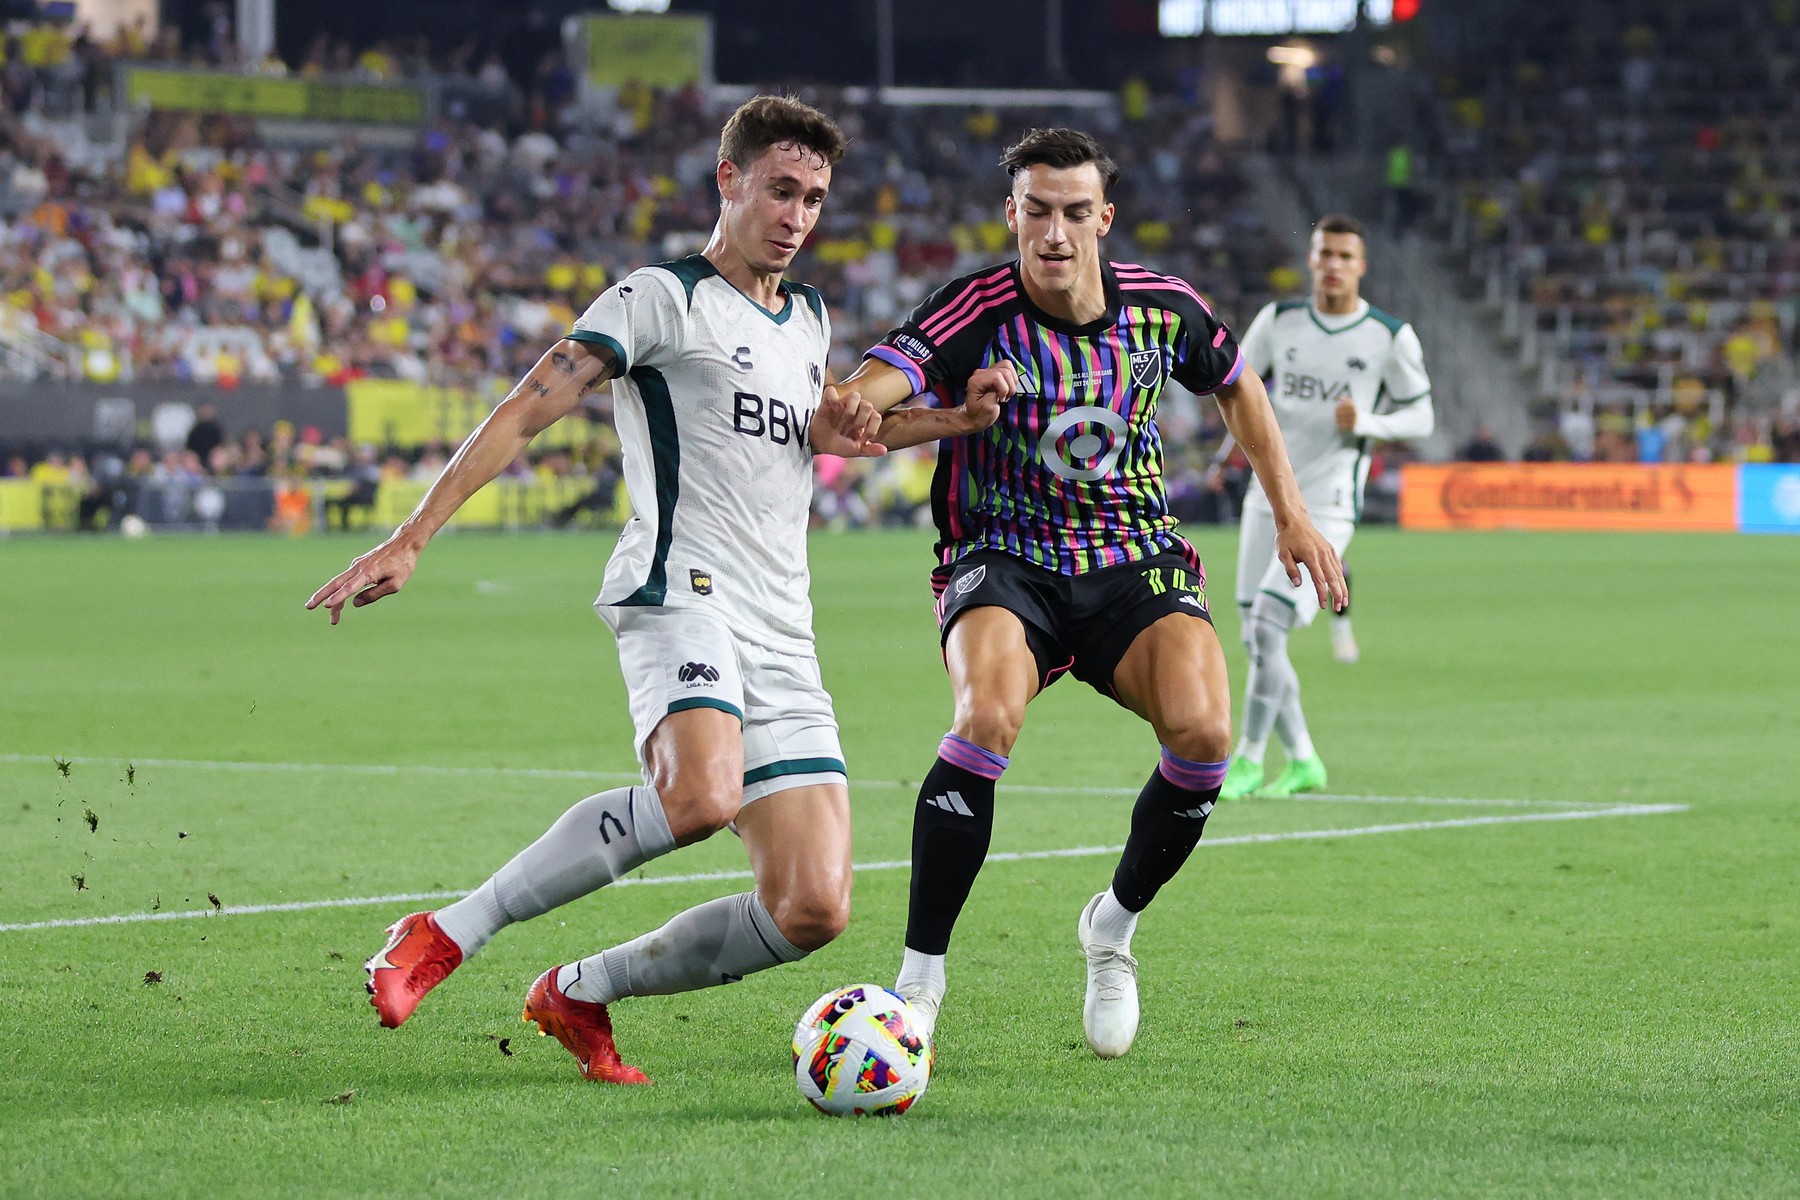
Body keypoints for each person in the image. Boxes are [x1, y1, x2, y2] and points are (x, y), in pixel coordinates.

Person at [307, 96, 1009, 1084]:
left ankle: (581, 991)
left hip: (783, 630)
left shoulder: (807, 316)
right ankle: (447, 931)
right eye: (780, 190)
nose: (798, 213)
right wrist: (413, 535)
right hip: (678, 588)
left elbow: (827, 430)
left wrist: (955, 423)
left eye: (813, 197)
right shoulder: (657, 297)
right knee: (699, 796)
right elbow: (529, 403)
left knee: (814, 907)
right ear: (728, 182)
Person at [826, 128, 1346, 1060]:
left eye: (1074, 212)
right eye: (1037, 211)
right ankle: (919, 984)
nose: (1054, 231)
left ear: (1103, 217)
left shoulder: (1163, 308)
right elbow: (867, 398)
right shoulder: (970, 310)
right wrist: (881, 402)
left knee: (1205, 736)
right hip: (1005, 555)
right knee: (985, 717)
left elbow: (1239, 388)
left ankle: (1112, 927)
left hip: (1132, 558)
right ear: (1012, 215)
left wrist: (1292, 514)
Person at [1219, 213, 1434, 801]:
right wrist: (1221, 455)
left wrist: (1369, 422)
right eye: (1324, 254)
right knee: (1258, 638)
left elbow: (1422, 415)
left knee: (1267, 625)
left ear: (1361, 266)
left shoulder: (1389, 335)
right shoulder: (1279, 321)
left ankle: (1248, 759)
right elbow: (1239, 390)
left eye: (1345, 256)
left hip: (1331, 506)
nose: (1333, 265)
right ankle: (1306, 759)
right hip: (1267, 500)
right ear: (1310, 260)